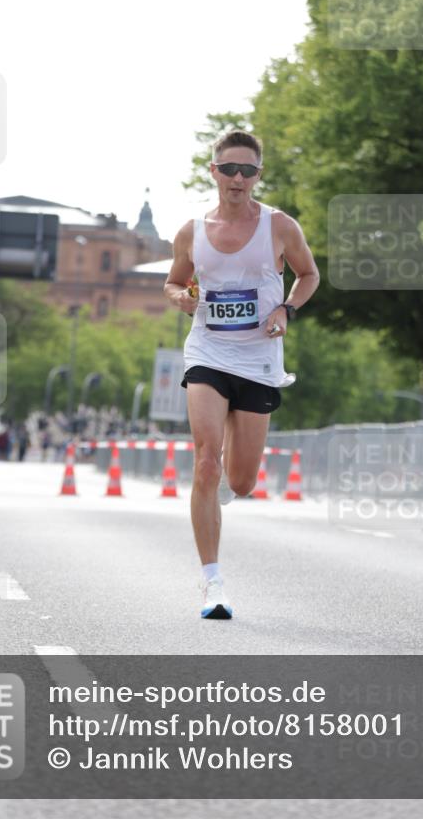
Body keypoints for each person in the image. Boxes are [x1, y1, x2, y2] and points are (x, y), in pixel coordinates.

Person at [164, 130, 320, 620]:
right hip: (208, 350)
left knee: (243, 480)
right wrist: (181, 298)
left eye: (247, 171)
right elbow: (173, 281)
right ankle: (213, 584)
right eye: (228, 169)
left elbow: (309, 275)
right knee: (206, 462)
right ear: (213, 172)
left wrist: (286, 310)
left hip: (258, 359)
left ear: (258, 175)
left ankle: (231, 482)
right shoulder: (191, 231)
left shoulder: (279, 226)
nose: (237, 179)